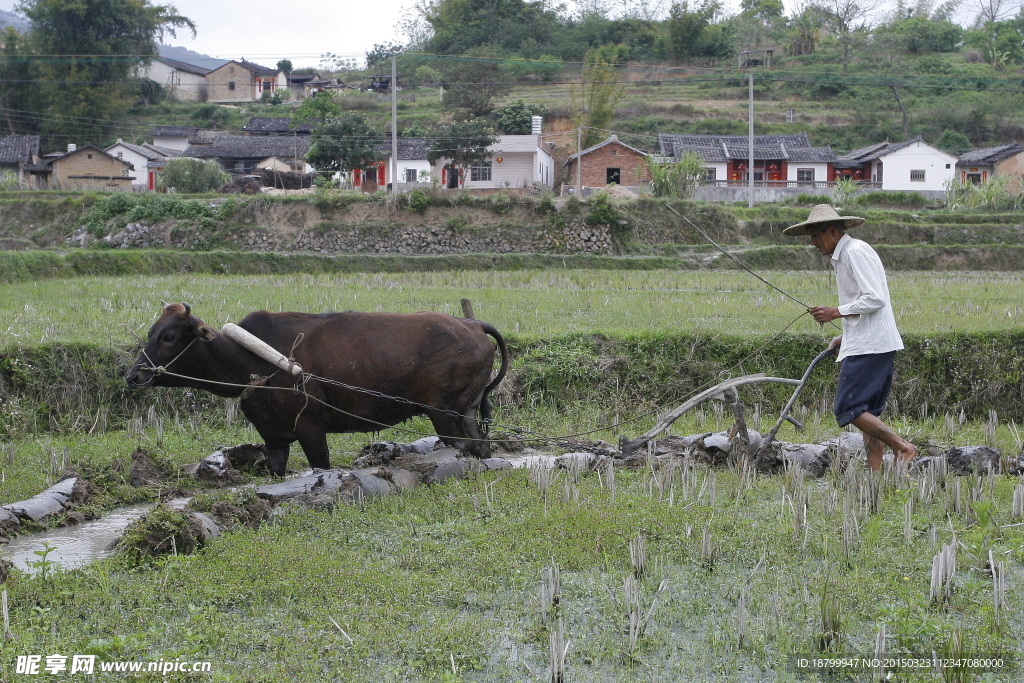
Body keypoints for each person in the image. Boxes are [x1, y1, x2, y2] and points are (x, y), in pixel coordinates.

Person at [783, 204, 917, 470]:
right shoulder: (846, 255)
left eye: (815, 236)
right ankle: (874, 475)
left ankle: (902, 446)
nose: (812, 242)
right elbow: (863, 302)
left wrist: (835, 312)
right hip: (870, 341)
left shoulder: (855, 252)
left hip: (871, 345)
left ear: (832, 231)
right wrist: (845, 335)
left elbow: (875, 298)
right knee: (869, 415)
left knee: (848, 407)